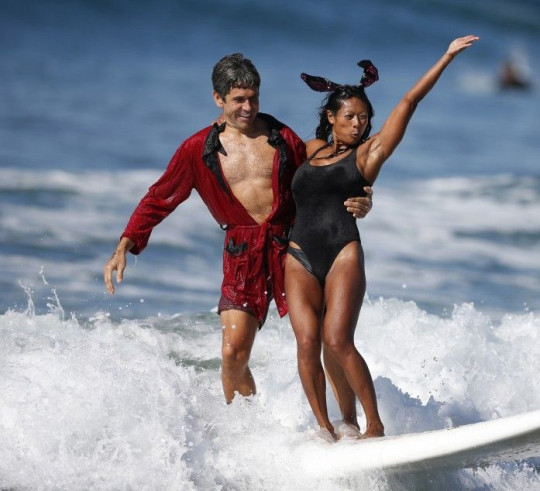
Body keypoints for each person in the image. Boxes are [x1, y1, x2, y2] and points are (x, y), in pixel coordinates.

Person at [103, 54, 373, 406]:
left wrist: (361, 199)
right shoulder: (197, 150)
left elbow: (325, 177)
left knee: (325, 340)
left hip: (293, 244)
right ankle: (243, 428)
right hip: (241, 254)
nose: (248, 107)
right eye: (238, 100)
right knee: (233, 351)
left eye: (254, 98)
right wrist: (125, 244)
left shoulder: (281, 137)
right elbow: (160, 196)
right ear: (218, 98)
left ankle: (348, 424)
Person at [285, 34, 479, 440]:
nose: (359, 124)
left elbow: (408, 102)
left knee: (337, 341)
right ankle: (328, 429)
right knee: (308, 343)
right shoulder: (312, 149)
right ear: (331, 117)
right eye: (350, 117)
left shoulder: (369, 154)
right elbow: (270, 150)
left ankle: (373, 425)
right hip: (298, 253)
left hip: (342, 252)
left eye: (364, 117)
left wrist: (445, 57)